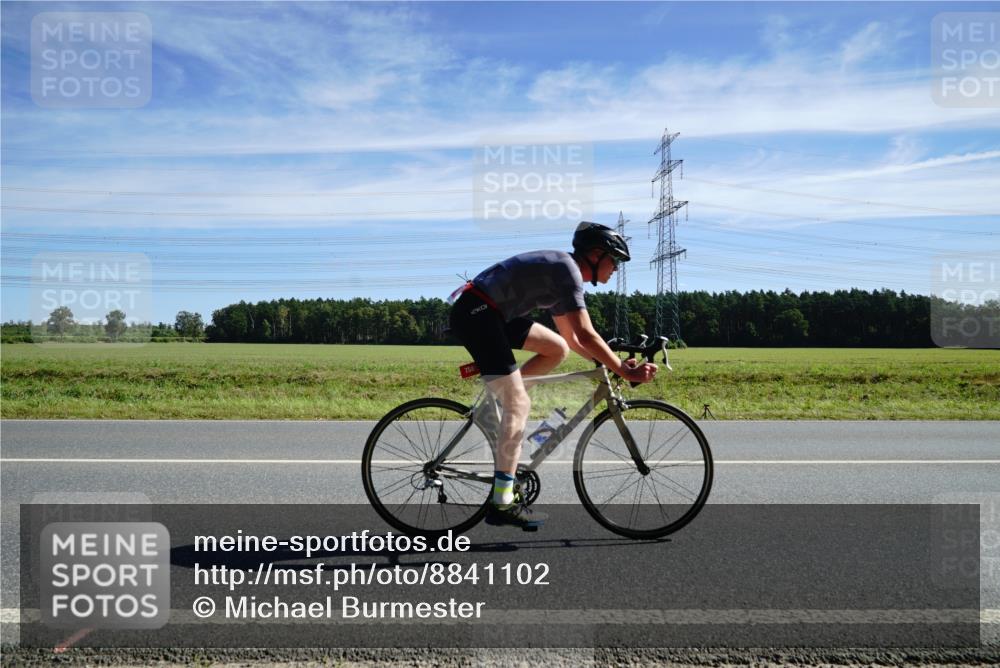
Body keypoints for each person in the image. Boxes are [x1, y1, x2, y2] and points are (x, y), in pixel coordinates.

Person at [448, 221, 658, 530]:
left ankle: (508, 401)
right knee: (519, 405)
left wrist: (609, 363)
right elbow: (587, 334)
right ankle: (502, 502)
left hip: (491, 312)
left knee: (557, 349)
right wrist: (622, 369)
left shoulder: (564, 275)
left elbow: (574, 341)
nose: (616, 268)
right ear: (596, 254)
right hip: (478, 314)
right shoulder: (567, 272)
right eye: (614, 260)